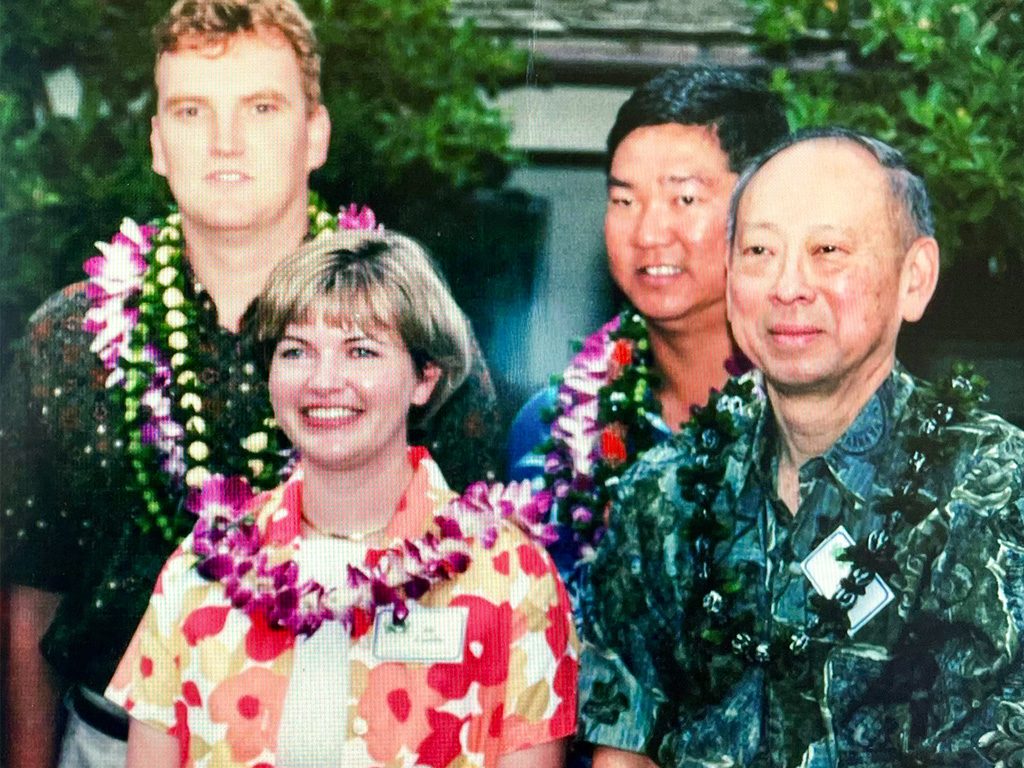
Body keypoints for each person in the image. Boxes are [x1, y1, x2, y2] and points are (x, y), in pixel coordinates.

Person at [1, 2, 503, 767]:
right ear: (159, 143)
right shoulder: (68, 341)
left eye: (261, 107)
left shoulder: (410, 331)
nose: (225, 142)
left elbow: (483, 584)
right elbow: (30, 599)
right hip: (107, 742)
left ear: (317, 134)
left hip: (367, 738)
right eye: (192, 110)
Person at [576, 127, 1024, 767]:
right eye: (759, 250)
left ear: (914, 279)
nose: (788, 286)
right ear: (730, 279)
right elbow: (625, 747)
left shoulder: (995, 495)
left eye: (829, 250)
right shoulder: (665, 494)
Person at [103, 229, 577, 768]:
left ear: (425, 378)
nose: (323, 381)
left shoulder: (509, 577)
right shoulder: (204, 566)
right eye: (296, 350)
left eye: (361, 351)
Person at [505, 66, 787, 613]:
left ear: (761, 209)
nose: (648, 233)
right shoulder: (550, 430)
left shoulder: (814, 417)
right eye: (624, 200)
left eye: (684, 199)